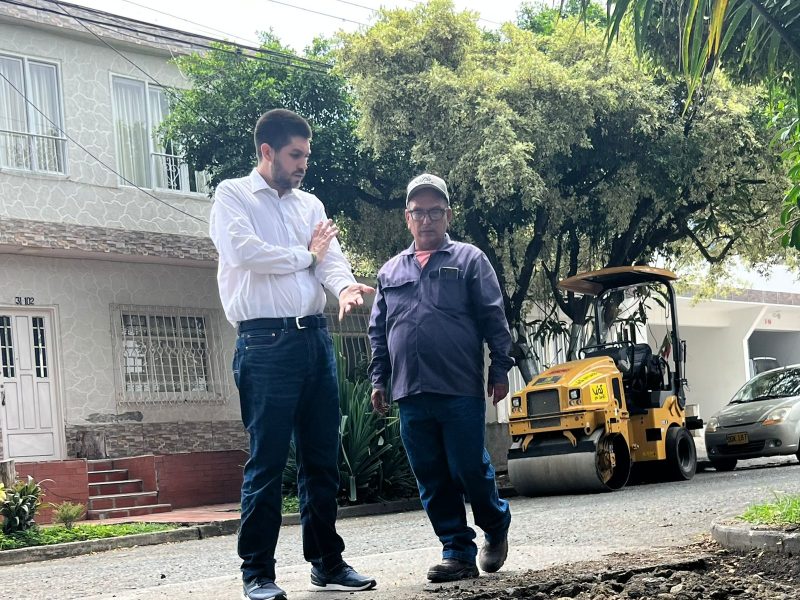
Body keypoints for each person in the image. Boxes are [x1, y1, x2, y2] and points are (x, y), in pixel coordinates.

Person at [209, 108, 376, 600]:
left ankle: (327, 564)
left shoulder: (310, 204)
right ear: (267, 152)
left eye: (306, 155)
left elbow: (332, 262)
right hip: (263, 343)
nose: (304, 164)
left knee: (322, 460)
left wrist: (343, 288)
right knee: (266, 462)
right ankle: (257, 573)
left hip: (314, 340)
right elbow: (245, 252)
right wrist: (307, 256)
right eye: (295, 155)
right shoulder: (233, 195)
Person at [368, 173, 514, 583]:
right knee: (431, 475)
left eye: (435, 212)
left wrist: (499, 369)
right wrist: (379, 379)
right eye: (419, 212)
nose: (427, 220)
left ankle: (496, 524)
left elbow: (493, 317)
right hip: (409, 391)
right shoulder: (390, 271)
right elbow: (378, 332)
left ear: (448, 215)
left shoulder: (470, 260)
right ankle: (457, 552)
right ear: (407, 218)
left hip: (458, 386)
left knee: (468, 467)